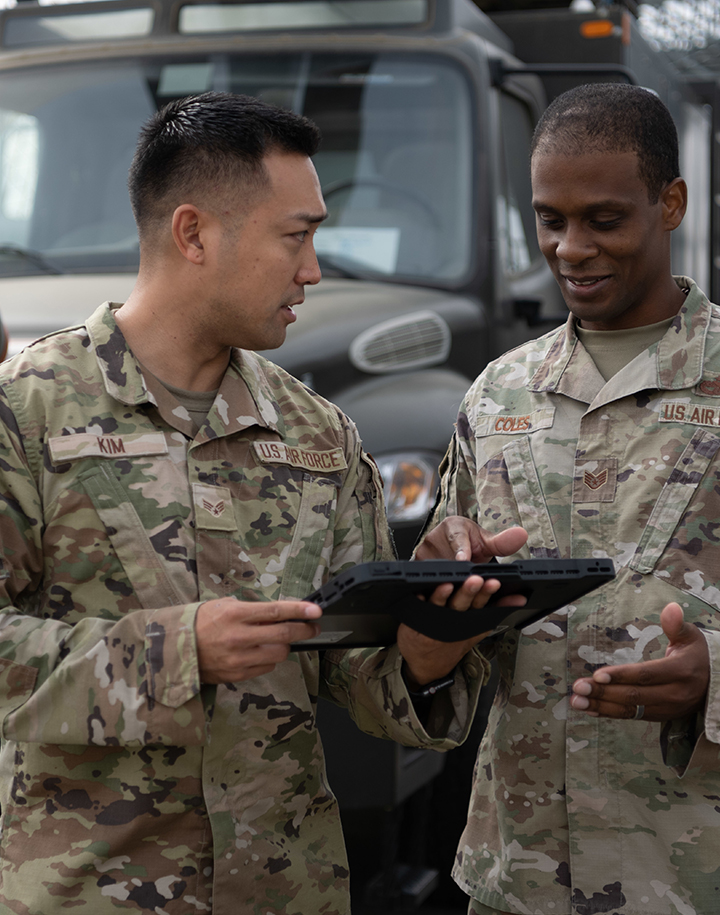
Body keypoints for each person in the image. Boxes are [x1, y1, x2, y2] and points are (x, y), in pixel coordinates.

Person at [0, 92, 503, 914]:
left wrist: (433, 637)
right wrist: (175, 650)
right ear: (193, 233)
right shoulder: (26, 414)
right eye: (295, 237)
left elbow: (363, 679)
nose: (313, 269)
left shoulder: (319, 437)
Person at [416, 82, 720, 915]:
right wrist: (440, 596)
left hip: (712, 881)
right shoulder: (499, 392)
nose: (571, 247)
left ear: (671, 203)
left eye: (604, 219)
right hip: (522, 879)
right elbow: (446, 637)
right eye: (550, 219)